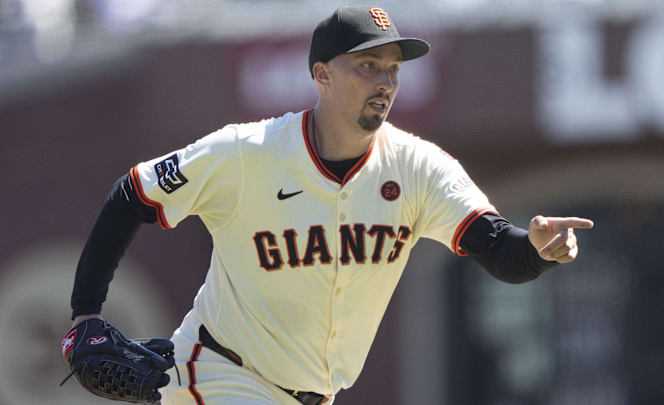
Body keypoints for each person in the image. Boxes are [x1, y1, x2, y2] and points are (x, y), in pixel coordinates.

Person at [64, 5, 593, 405]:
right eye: (368, 66)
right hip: (224, 375)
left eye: (392, 69)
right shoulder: (247, 153)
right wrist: (86, 313)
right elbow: (132, 194)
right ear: (322, 74)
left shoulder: (417, 167)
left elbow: (500, 250)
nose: (385, 82)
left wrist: (539, 249)